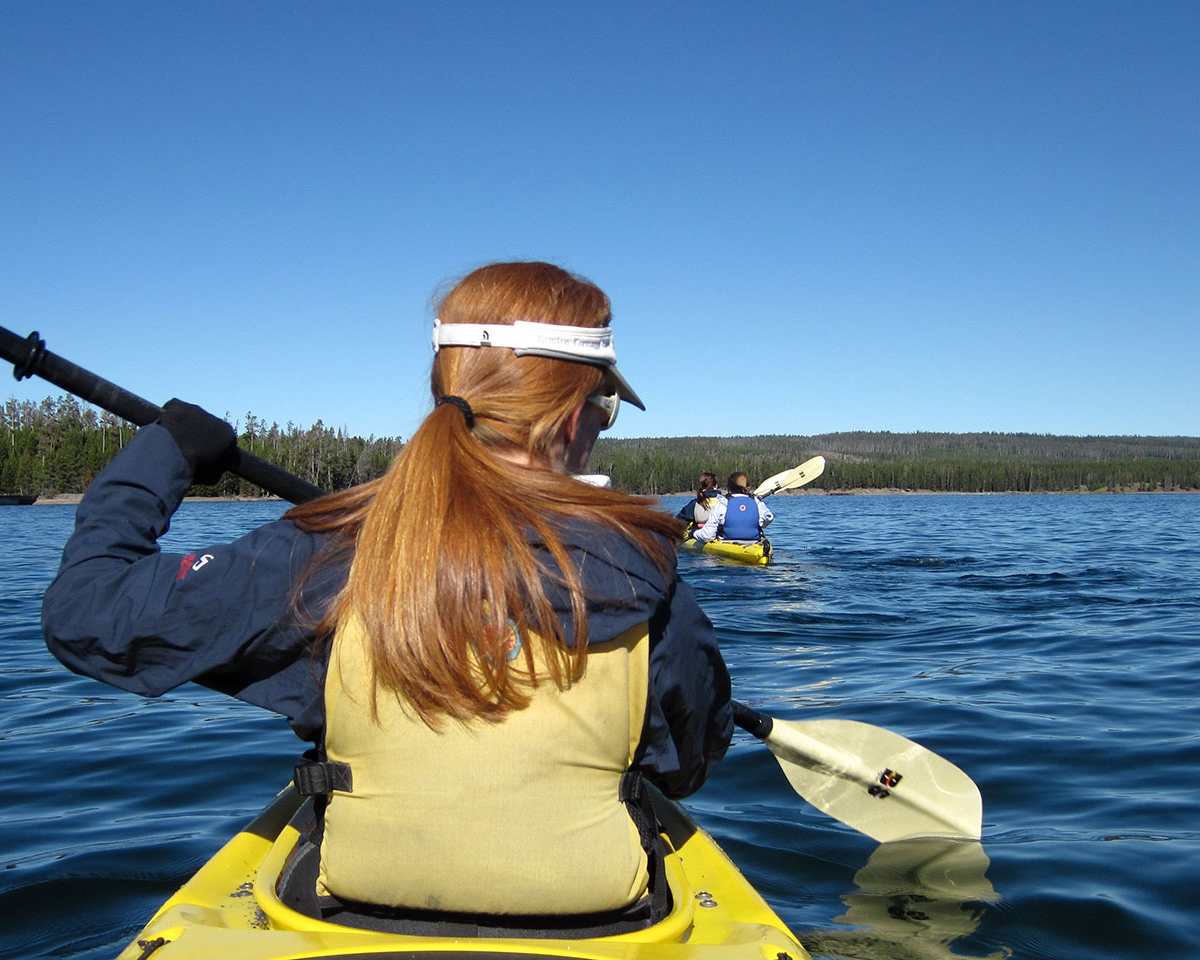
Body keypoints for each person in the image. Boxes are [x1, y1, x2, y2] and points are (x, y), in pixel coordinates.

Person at [41, 261, 732, 920]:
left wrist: (164, 455)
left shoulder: (320, 554)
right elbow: (686, 766)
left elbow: (88, 614)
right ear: (572, 415)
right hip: (601, 922)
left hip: (350, 918)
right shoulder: (648, 570)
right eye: (605, 406)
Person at [692, 471, 772, 543]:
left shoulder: (723, 503)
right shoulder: (757, 502)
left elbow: (707, 536)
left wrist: (694, 533)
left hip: (727, 542)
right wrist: (758, 524)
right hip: (754, 542)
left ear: (729, 488)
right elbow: (769, 517)